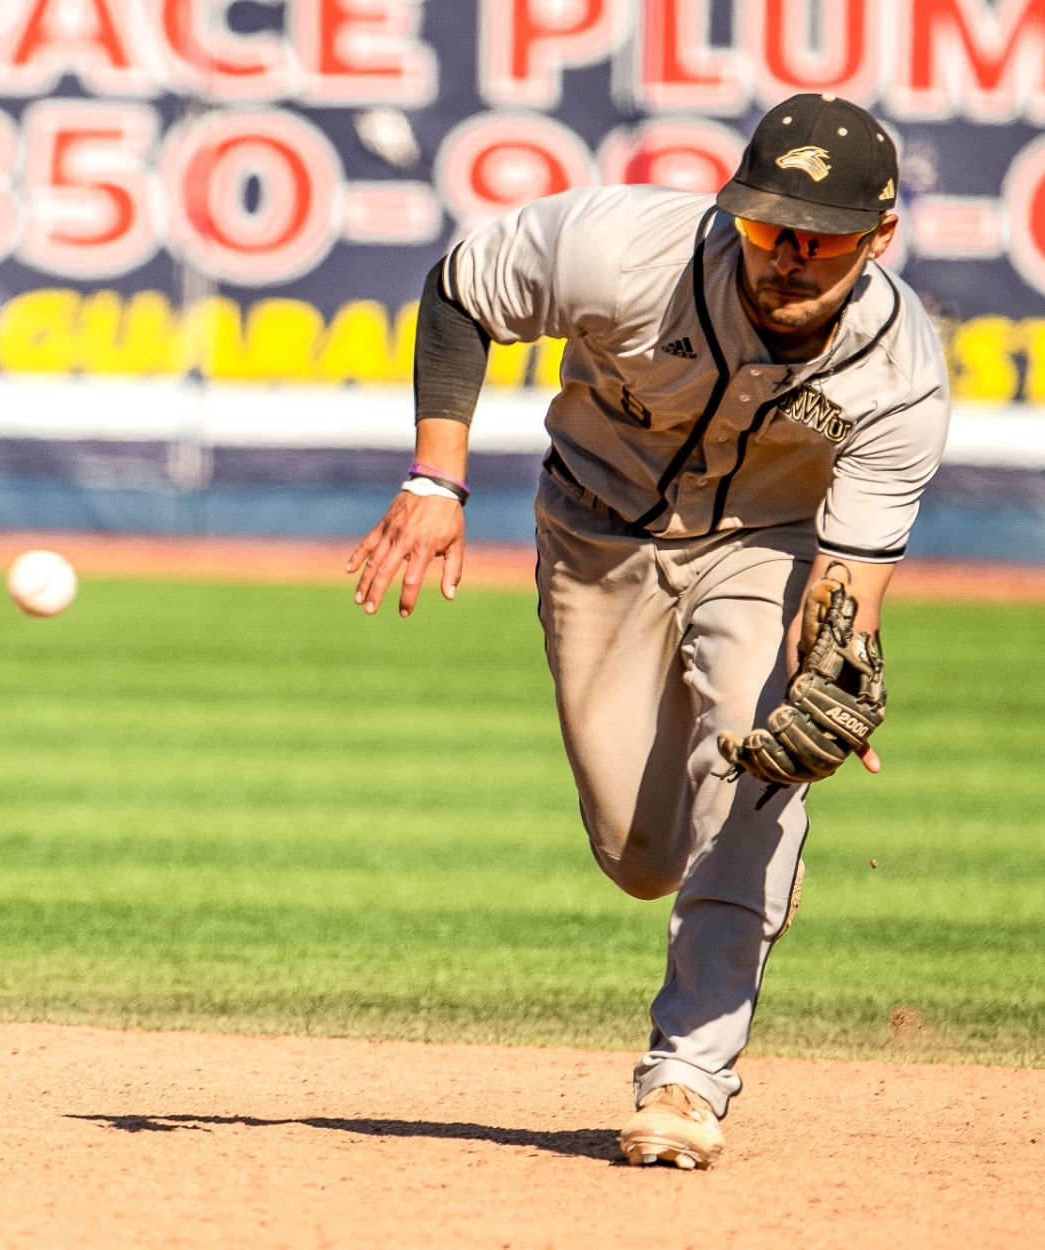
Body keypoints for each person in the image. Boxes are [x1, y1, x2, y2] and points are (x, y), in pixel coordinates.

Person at [346, 93, 951, 1170]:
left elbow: (847, 573)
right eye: (769, 228)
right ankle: (733, 868)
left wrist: (834, 664)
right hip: (593, 530)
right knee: (637, 853)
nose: (790, 257)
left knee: (754, 778)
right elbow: (459, 289)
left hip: (766, 544)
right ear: (734, 210)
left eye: (823, 240)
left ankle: (686, 1074)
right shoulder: (623, 249)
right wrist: (433, 474)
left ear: (881, 236)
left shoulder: (896, 374)